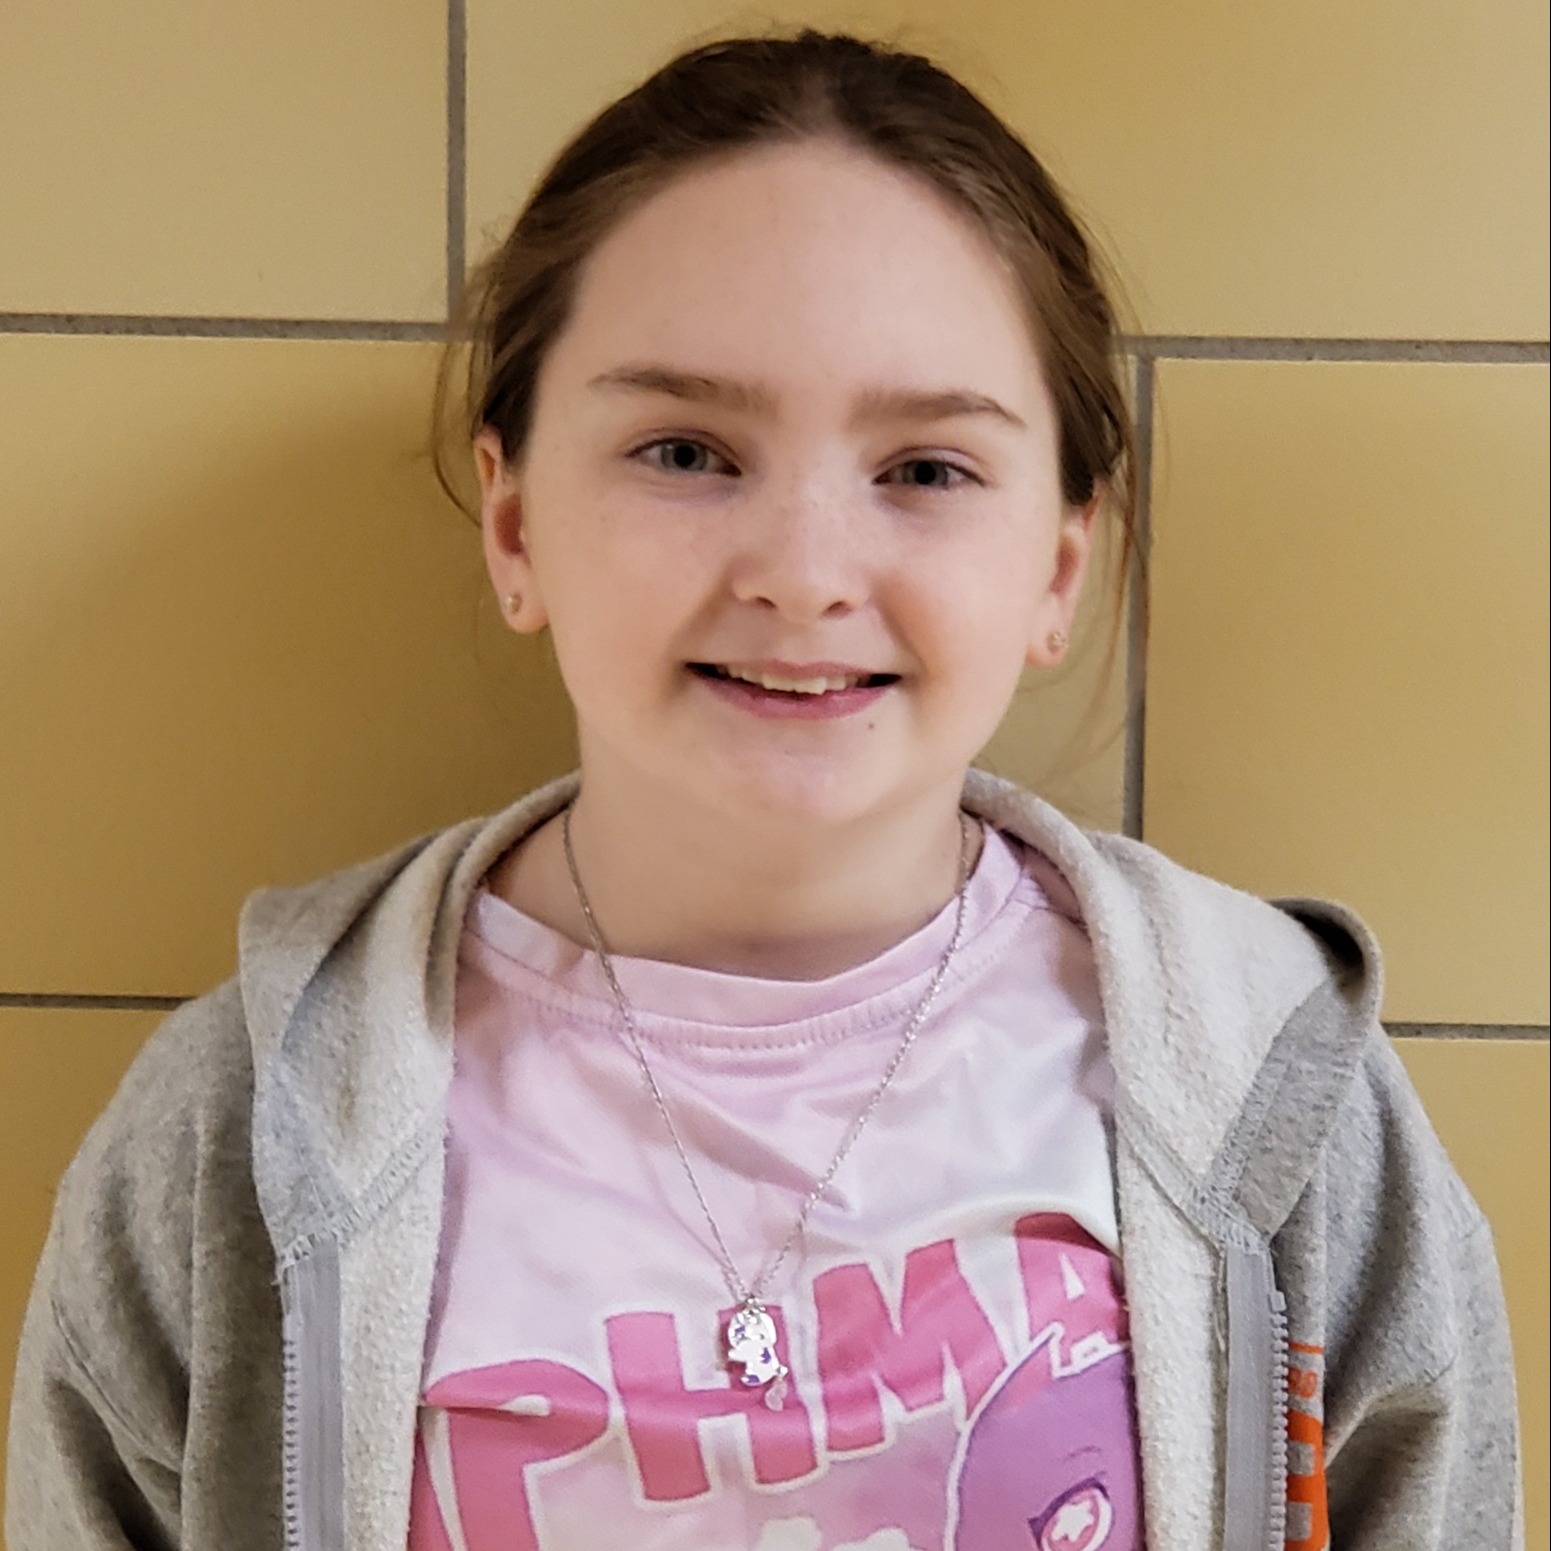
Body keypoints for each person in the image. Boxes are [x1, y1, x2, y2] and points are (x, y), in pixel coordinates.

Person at [5, 27, 1523, 1551]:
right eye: (685, 451)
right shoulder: (241, 1133)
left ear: (1056, 569)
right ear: (517, 527)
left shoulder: (1281, 1104)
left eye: (926, 469)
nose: (804, 576)